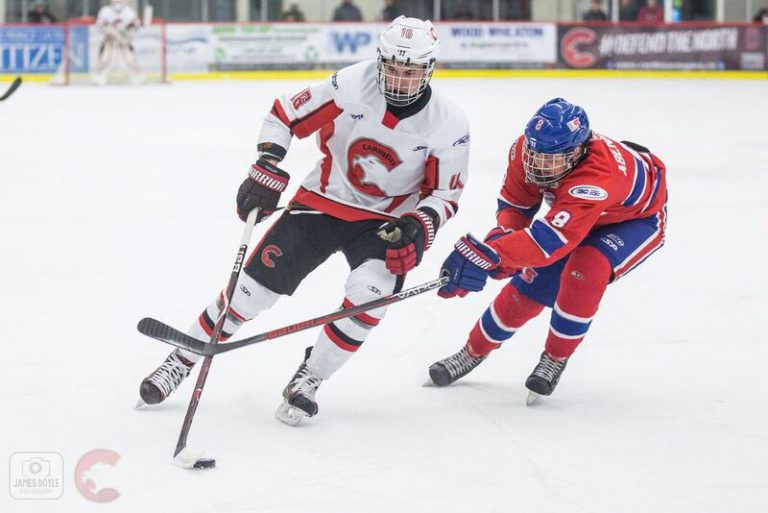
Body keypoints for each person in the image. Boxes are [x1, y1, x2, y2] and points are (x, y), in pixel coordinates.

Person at [138, 16, 470, 426]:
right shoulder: (350, 85)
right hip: (323, 202)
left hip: (387, 222)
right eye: (394, 68)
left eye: (412, 70)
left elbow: (444, 195)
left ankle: (310, 377)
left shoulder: (449, 124)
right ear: (380, 60)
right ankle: (181, 358)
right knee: (250, 292)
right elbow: (284, 116)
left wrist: (420, 226)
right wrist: (268, 163)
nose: (400, 79)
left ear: (430, 68)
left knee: (369, 298)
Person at [428, 98, 667, 403]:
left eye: (551, 158)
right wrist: (500, 244)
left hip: (634, 220)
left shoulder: (596, 178)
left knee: (586, 268)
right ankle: (471, 351)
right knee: (530, 285)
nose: (538, 163)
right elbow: (515, 206)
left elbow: (549, 242)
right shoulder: (525, 150)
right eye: (534, 153)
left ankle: (555, 356)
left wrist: (495, 255)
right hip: (577, 216)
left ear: (578, 153)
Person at [90, 0, 144, 86]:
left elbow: (136, 25)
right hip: (110, 40)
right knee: (105, 58)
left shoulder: (129, 12)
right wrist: (109, 31)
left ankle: (136, 75)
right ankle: (98, 75)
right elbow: (100, 25)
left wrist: (127, 34)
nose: (118, 2)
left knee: (130, 58)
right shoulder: (105, 11)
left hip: (124, 41)